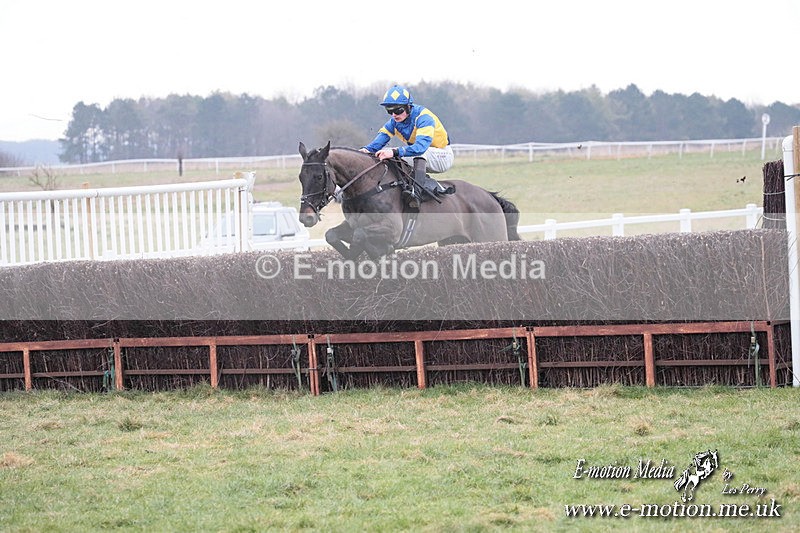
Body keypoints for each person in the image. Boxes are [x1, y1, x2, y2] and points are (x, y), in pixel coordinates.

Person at [360, 85, 454, 207]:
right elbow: (376, 145)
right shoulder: (393, 123)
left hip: (442, 156)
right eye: (389, 111)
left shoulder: (424, 118)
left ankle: (417, 195)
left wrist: (394, 151)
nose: (394, 114)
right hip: (423, 157)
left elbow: (420, 148)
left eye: (398, 110)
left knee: (403, 153)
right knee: (386, 155)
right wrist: (363, 151)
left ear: (409, 106)